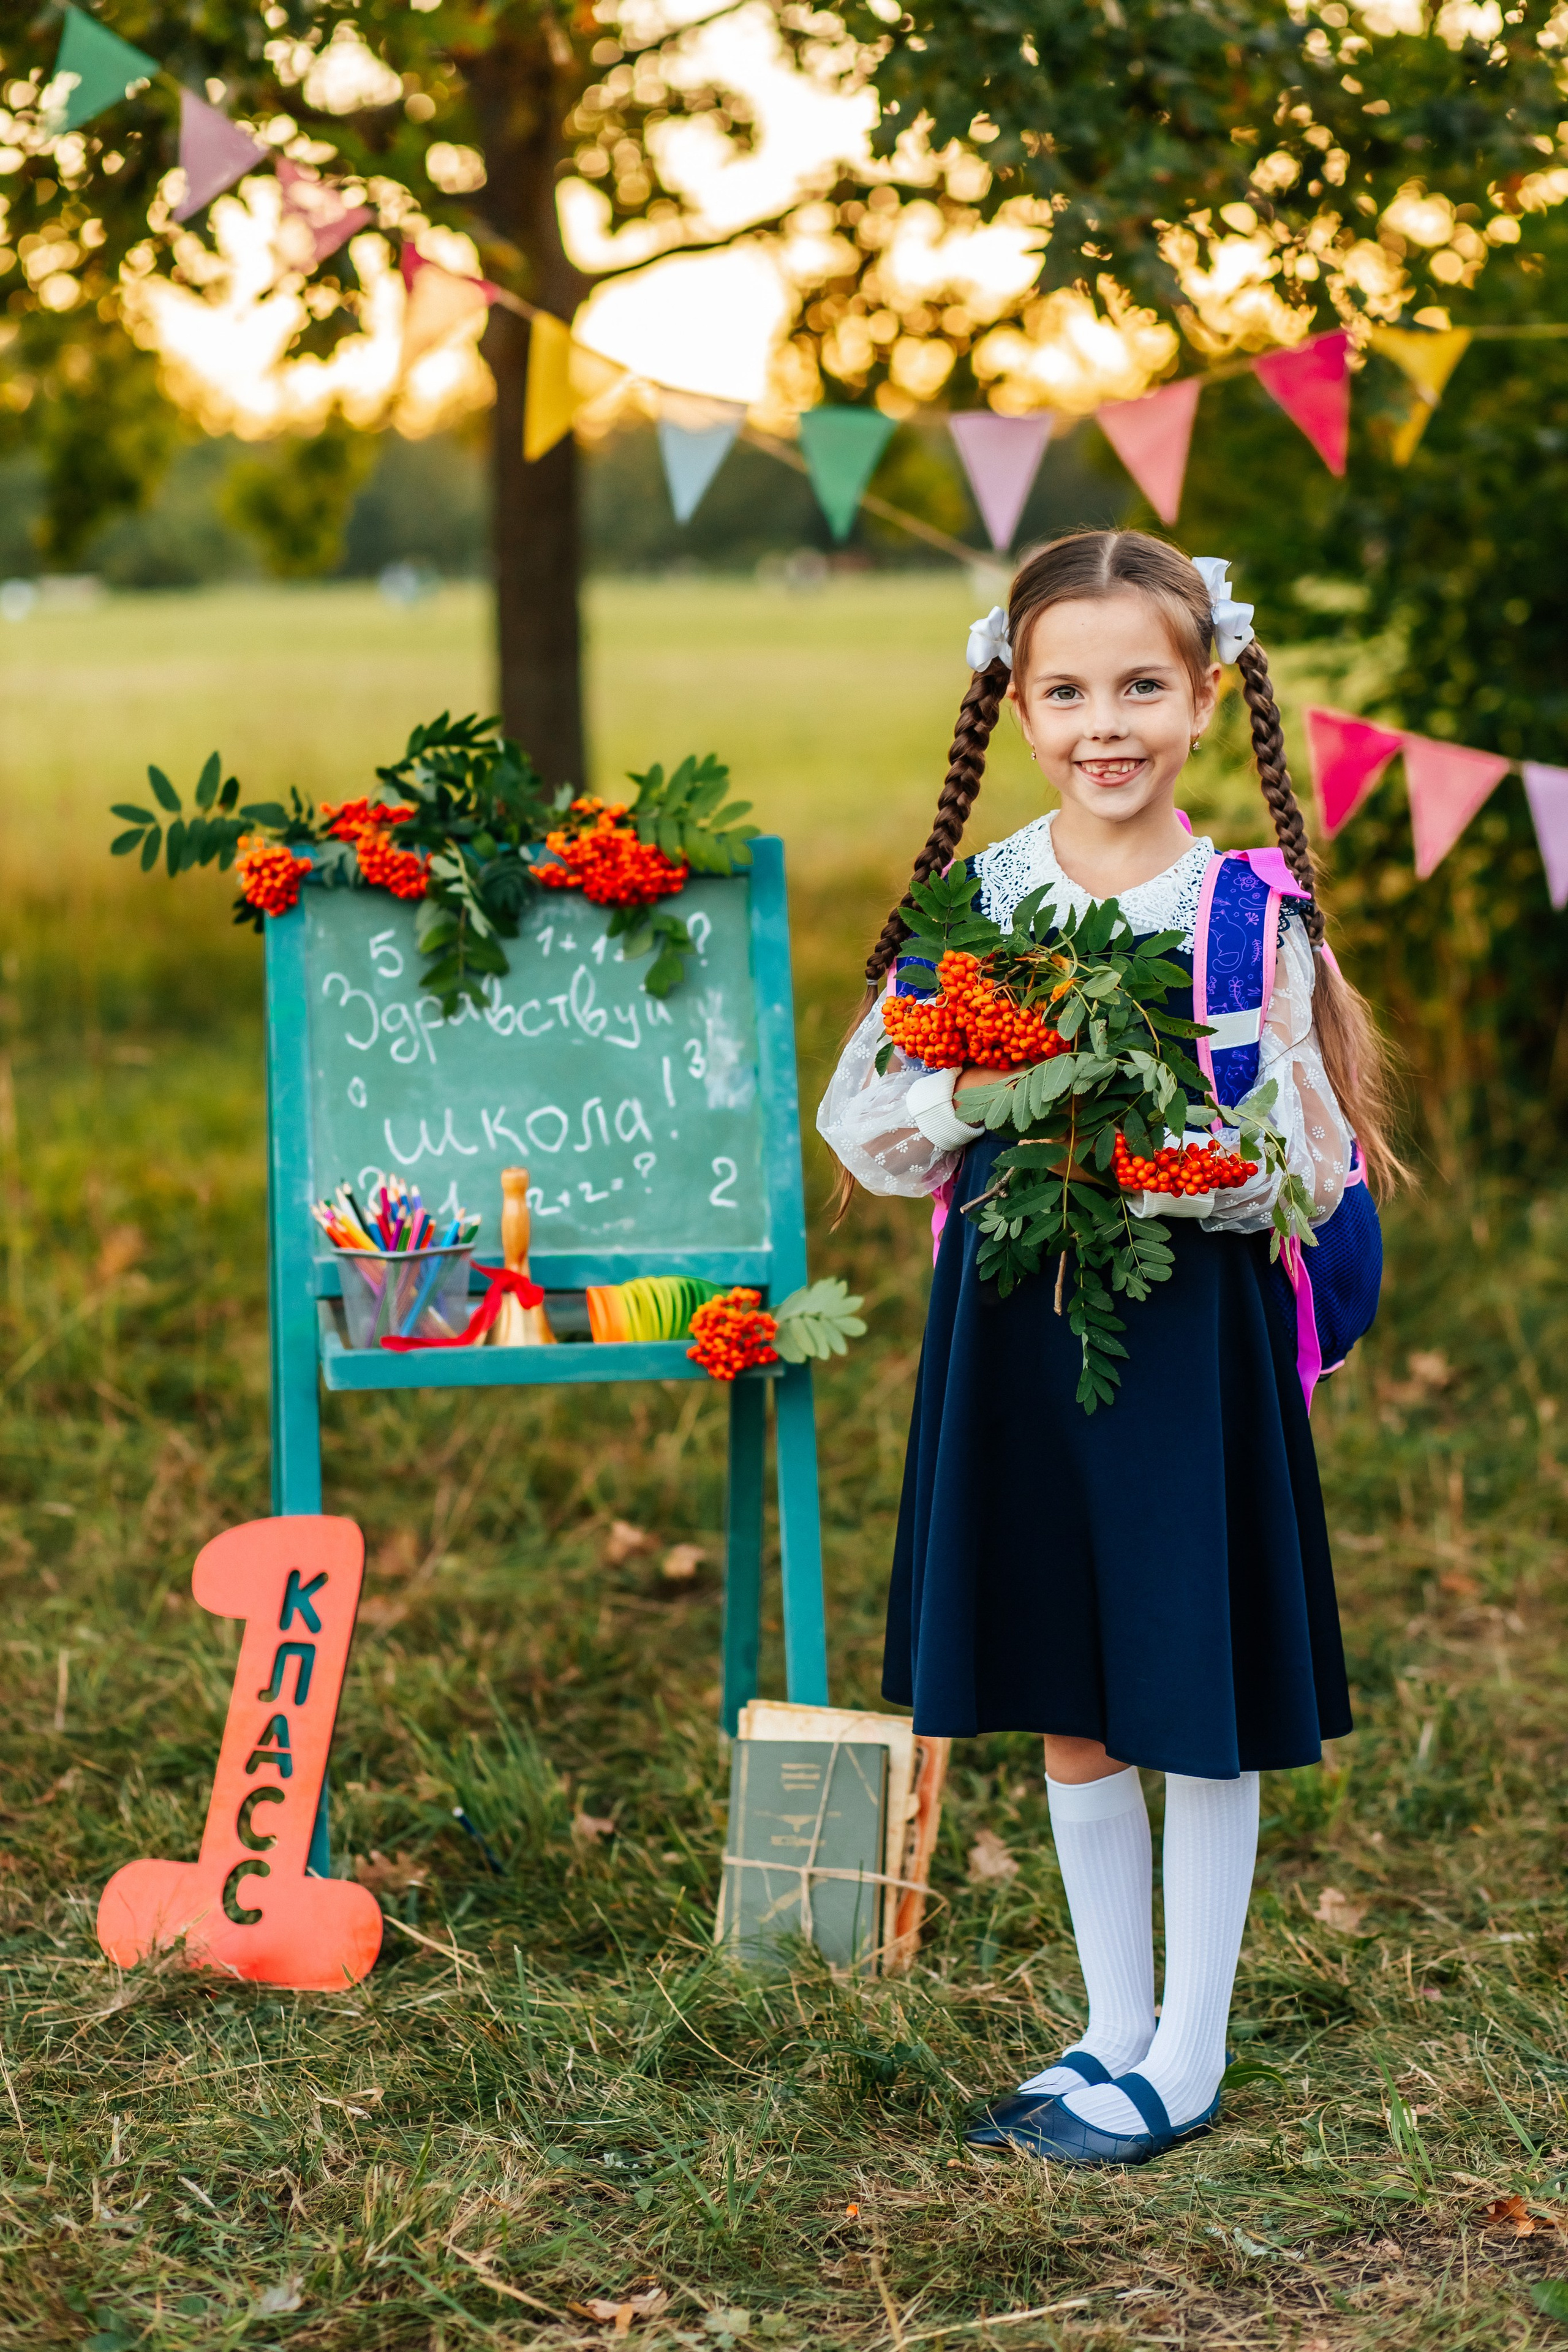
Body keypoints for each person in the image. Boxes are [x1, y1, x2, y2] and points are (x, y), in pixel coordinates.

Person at [817, 529, 1400, 2167]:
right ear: (1015, 704)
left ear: (1205, 697)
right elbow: (864, 1112)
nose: (1105, 722)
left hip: (1182, 1347)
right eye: (1066, 688)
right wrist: (975, 1097)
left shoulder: (1244, 918)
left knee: (1185, 1679)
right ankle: (1113, 2025)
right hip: (1017, 1336)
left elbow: (1310, 1151)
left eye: (1143, 684)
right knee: (1068, 1679)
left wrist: (1199, 1176)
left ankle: (1194, 2053)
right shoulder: (983, 904)